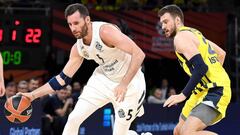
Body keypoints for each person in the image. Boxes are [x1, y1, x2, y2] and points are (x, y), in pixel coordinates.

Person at [20, 3, 149, 135]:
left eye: (76, 23)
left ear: (87, 20)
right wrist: (32, 95)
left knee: (120, 133)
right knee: (73, 119)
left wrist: (124, 83)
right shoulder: (78, 48)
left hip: (130, 83)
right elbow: (61, 79)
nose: (73, 28)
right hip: (103, 80)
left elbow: (139, 54)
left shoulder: (105, 32)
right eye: (70, 24)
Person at [158, 4, 231, 135]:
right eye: (161, 23)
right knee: (178, 131)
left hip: (216, 90)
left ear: (177, 20)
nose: (163, 27)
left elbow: (201, 68)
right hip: (201, 91)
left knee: (188, 132)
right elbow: (221, 54)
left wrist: (182, 95)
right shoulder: (194, 33)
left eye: (166, 21)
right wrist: (213, 74)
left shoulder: (180, 38)